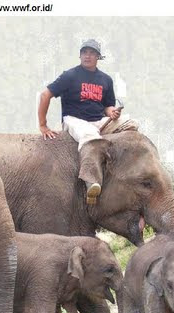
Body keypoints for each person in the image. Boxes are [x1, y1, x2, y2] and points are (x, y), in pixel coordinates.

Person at [38, 39, 138, 204]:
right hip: (74, 120)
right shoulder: (70, 75)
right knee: (90, 136)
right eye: (84, 52)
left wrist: (112, 112)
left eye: (92, 53)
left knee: (131, 124)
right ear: (79, 55)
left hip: (98, 121)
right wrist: (42, 125)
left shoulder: (106, 80)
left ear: (98, 56)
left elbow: (107, 106)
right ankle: (91, 181)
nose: (87, 56)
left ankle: (123, 169)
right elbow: (45, 95)